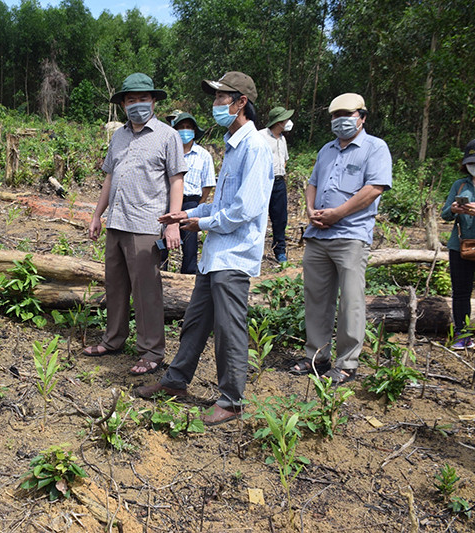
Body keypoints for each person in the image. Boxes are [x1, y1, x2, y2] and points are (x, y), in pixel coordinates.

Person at [134, 71, 273, 426]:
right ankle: (176, 380)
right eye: (214, 98)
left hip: (235, 253)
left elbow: (246, 208)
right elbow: (219, 203)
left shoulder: (256, 147)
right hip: (216, 256)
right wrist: (187, 214)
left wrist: (201, 224)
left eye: (221, 98)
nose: (215, 105)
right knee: (195, 322)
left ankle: (232, 400)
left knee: (230, 329)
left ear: (241, 102)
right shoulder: (233, 144)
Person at [84, 72, 187, 376]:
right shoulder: (118, 136)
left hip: (146, 224)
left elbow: (177, 180)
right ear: (123, 104)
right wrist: (96, 215)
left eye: (143, 99)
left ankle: (151, 351)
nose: (137, 104)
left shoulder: (167, 136)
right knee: (115, 287)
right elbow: (109, 178)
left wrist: (173, 223)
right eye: (131, 100)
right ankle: (113, 339)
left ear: (153, 101)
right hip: (117, 221)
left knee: (146, 291)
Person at [289, 93, 392, 384]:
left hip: (351, 236)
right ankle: (317, 356)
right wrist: (311, 211)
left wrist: (338, 213)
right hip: (319, 234)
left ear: (362, 116)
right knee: (316, 299)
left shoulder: (375, 148)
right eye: (335, 115)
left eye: (347, 114)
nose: (340, 120)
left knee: (351, 301)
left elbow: (374, 188)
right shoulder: (327, 150)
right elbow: (313, 183)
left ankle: (347, 363)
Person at [161, 112, 216, 274]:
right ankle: (162, 269)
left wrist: (199, 205)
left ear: (193, 131)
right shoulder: (168, 152)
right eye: (181, 128)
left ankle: (188, 271)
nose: (185, 131)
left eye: (188, 128)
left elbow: (208, 184)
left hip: (191, 202)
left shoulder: (203, 155)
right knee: (164, 235)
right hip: (169, 199)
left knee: (190, 239)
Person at [441, 139, 475, 349]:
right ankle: (462, 334)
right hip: (460, 246)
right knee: (461, 291)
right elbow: (444, 214)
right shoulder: (460, 185)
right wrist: (454, 209)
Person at [259, 106, 294, 263]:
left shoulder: (283, 139)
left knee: (280, 218)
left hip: (279, 182)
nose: (288, 122)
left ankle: (279, 251)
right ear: (278, 122)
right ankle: (255, 250)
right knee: (258, 217)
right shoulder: (261, 137)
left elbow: (284, 159)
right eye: (285, 119)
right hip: (263, 182)